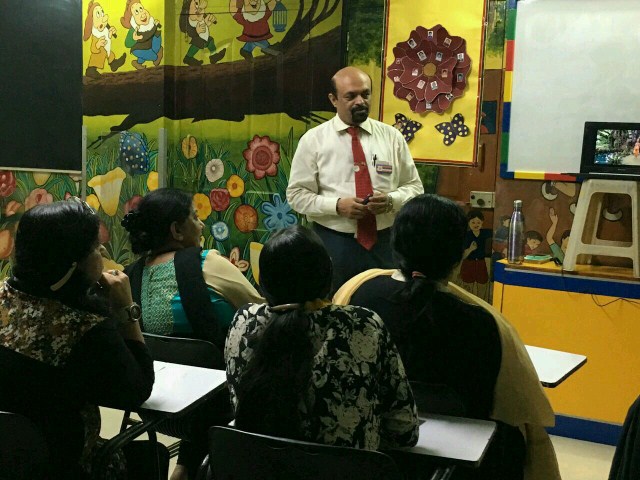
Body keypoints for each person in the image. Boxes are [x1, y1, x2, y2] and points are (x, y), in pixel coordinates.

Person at [334, 194, 562, 480]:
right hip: (459, 467)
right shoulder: (485, 323)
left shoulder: (357, 292)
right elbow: (520, 410)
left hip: (373, 455)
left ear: (396, 244)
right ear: (458, 256)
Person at [225, 225, 419, 450]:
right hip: (347, 468)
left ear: (263, 280)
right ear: (327, 273)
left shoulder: (244, 321)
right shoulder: (362, 324)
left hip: (255, 465)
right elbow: (404, 430)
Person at [0, 199, 154, 479]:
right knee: (150, 456)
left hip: (9, 462)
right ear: (71, 264)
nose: (103, 252)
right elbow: (137, 390)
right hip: (65, 467)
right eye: (95, 247)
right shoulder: (83, 328)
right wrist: (126, 310)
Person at [122, 187, 263, 480]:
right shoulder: (206, 263)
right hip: (219, 408)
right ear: (176, 230)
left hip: (156, 408)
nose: (201, 225)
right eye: (195, 218)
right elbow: (262, 312)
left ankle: (185, 466)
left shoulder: (129, 278)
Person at [286, 66, 424, 293]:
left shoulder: (392, 137)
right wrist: (337, 206)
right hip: (334, 243)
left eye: (365, 94)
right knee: (335, 303)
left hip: (386, 242)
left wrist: (391, 201)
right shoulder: (314, 140)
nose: (360, 101)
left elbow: (414, 187)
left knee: (387, 302)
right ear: (333, 99)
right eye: (350, 96)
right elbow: (296, 196)